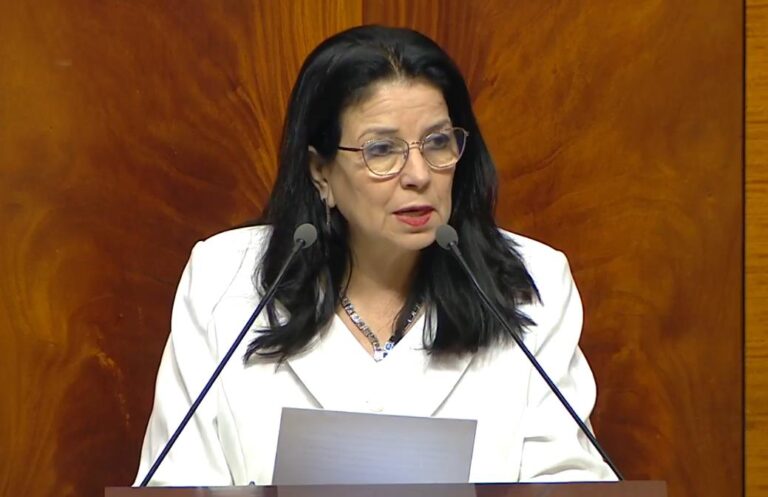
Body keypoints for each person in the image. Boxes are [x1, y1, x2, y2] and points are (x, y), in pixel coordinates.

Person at [134, 25, 615, 486]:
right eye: (382, 149)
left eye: (438, 142)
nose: (419, 175)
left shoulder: (532, 284)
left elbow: (568, 482)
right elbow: (177, 481)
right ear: (320, 171)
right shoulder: (224, 279)